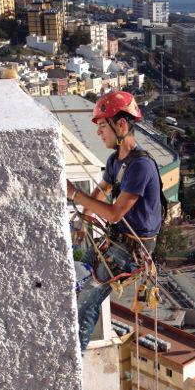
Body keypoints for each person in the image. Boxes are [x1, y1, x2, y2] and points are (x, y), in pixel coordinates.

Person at [67, 90, 164, 350]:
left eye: (102, 126)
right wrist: (84, 219)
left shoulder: (140, 166)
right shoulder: (115, 161)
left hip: (131, 249)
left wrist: (74, 193)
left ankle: (73, 356)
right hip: (117, 240)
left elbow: (114, 213)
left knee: (81, 301)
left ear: (121, 124)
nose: (99, 132)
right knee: (78, 283)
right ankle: (79, 350)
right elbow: (101, 192)